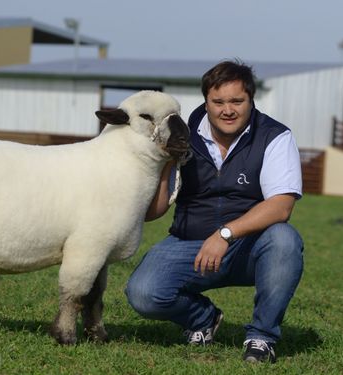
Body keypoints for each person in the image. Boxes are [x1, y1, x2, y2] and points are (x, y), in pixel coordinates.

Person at [125, 60, 304, 364]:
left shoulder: (275, 136)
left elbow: (281, 205)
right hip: (189, 242)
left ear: (251, 100)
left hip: (249, 246)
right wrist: (165, 161)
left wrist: (225, 234)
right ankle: (202, 318)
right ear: (206, 101)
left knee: (284, 240)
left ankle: (261, 338)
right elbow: (153, 211)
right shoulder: (182, 133)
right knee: (143, 293)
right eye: (218, 101)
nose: (228, 110)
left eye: (237, 101)